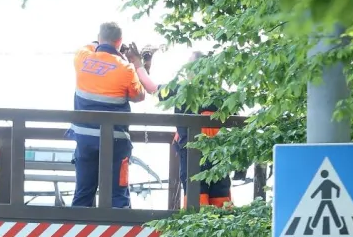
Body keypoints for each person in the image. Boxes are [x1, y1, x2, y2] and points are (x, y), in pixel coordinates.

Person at [70, 22, 157, 208]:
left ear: (99, 37)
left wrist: (113, 50)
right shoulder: (126, 69)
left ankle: (77, 223)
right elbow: (139, 95)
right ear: (120, 41)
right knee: (118, 194)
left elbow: (92, 45)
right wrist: (136, 63)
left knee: (83, 192)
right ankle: (120, 222)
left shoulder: (82, 58)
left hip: (85, 138)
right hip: (116, 141)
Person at [156, 51, 234, 208]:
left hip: (193, 159)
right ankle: (223, 222)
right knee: (222, 202)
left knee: (196, 202)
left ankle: (198, 220)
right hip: (219, 159)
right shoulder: (222, 95)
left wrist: (139, 65)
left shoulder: (182, 90)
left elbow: (152, 88)